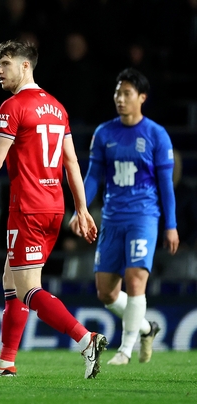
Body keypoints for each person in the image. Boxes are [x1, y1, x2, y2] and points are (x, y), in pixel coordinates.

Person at [0, 39, 106, 379]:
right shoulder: (57, 107)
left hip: (28, 208)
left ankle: (85, 338)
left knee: (29, 289)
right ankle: (6, 363)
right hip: (54, 207)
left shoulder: (12, 106)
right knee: (11, 280)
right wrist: (82, 209)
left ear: (25, 65)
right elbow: (71, 163)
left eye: (5, 63)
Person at [68, 68, 178, 366]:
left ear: (142, 97)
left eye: (127, 93)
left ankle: (125, 350)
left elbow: (166, 185)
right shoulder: (104, 132)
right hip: (112, 218)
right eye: (118, 93)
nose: (120, 98)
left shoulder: (156, 134)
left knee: (135, 279)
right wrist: (81, 208)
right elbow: (93, 177)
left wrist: (171, 225)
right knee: (106, 292)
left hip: (144, 216)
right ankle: (145, 328)